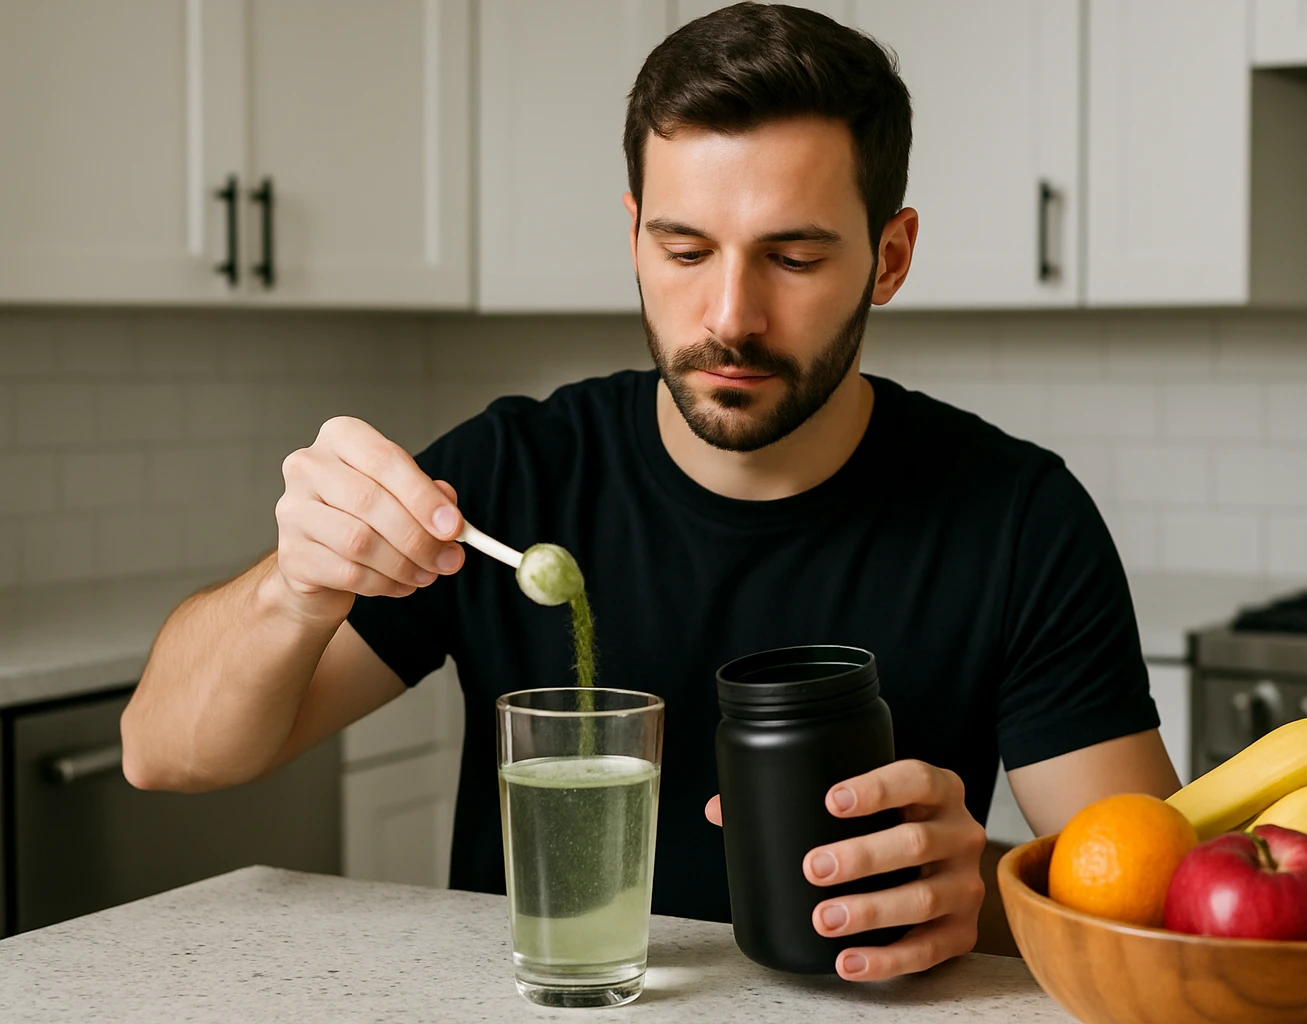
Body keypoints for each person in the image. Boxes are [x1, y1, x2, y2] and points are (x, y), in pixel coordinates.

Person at [121, 3, 1180, 982]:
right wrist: (293, 591)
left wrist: (984, 893)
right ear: (633, 235)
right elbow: (166, 752)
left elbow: (1155, 910)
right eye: (684, 248)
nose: (730, 313)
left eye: (796, 256)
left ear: (889, 257)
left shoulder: (1018, 519)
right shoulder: (509, 477)